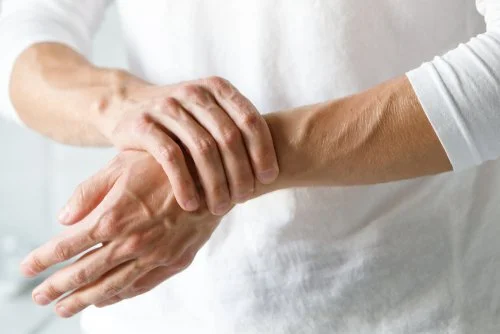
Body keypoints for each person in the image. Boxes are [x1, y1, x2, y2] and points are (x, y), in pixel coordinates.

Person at [1, 0, 500, 332]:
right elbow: (19, 29)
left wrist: (209, 162)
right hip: (159, 313)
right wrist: (129, 109)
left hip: (411, 307)